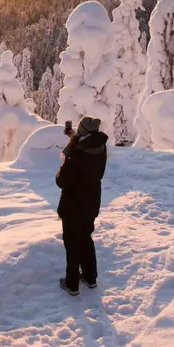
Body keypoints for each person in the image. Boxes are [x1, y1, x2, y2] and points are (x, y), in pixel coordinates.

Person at [55, 116, 108, 296]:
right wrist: (71, 135)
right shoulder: (100, 147)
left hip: (73, 205)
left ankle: (72, 283)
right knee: (86, 238)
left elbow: (62, 181)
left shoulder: (77, 154)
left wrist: (63, 167)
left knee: (72, 243)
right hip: (91, 202)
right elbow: (82, 142)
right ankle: (90, 277)